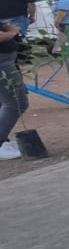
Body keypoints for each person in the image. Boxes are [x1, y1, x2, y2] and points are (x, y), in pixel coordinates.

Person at [0, 19, 27, 160]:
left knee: (7, 102)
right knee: (16, 102)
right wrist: (13, 32)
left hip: (6, 61)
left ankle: (3, 141)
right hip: (2, 63)